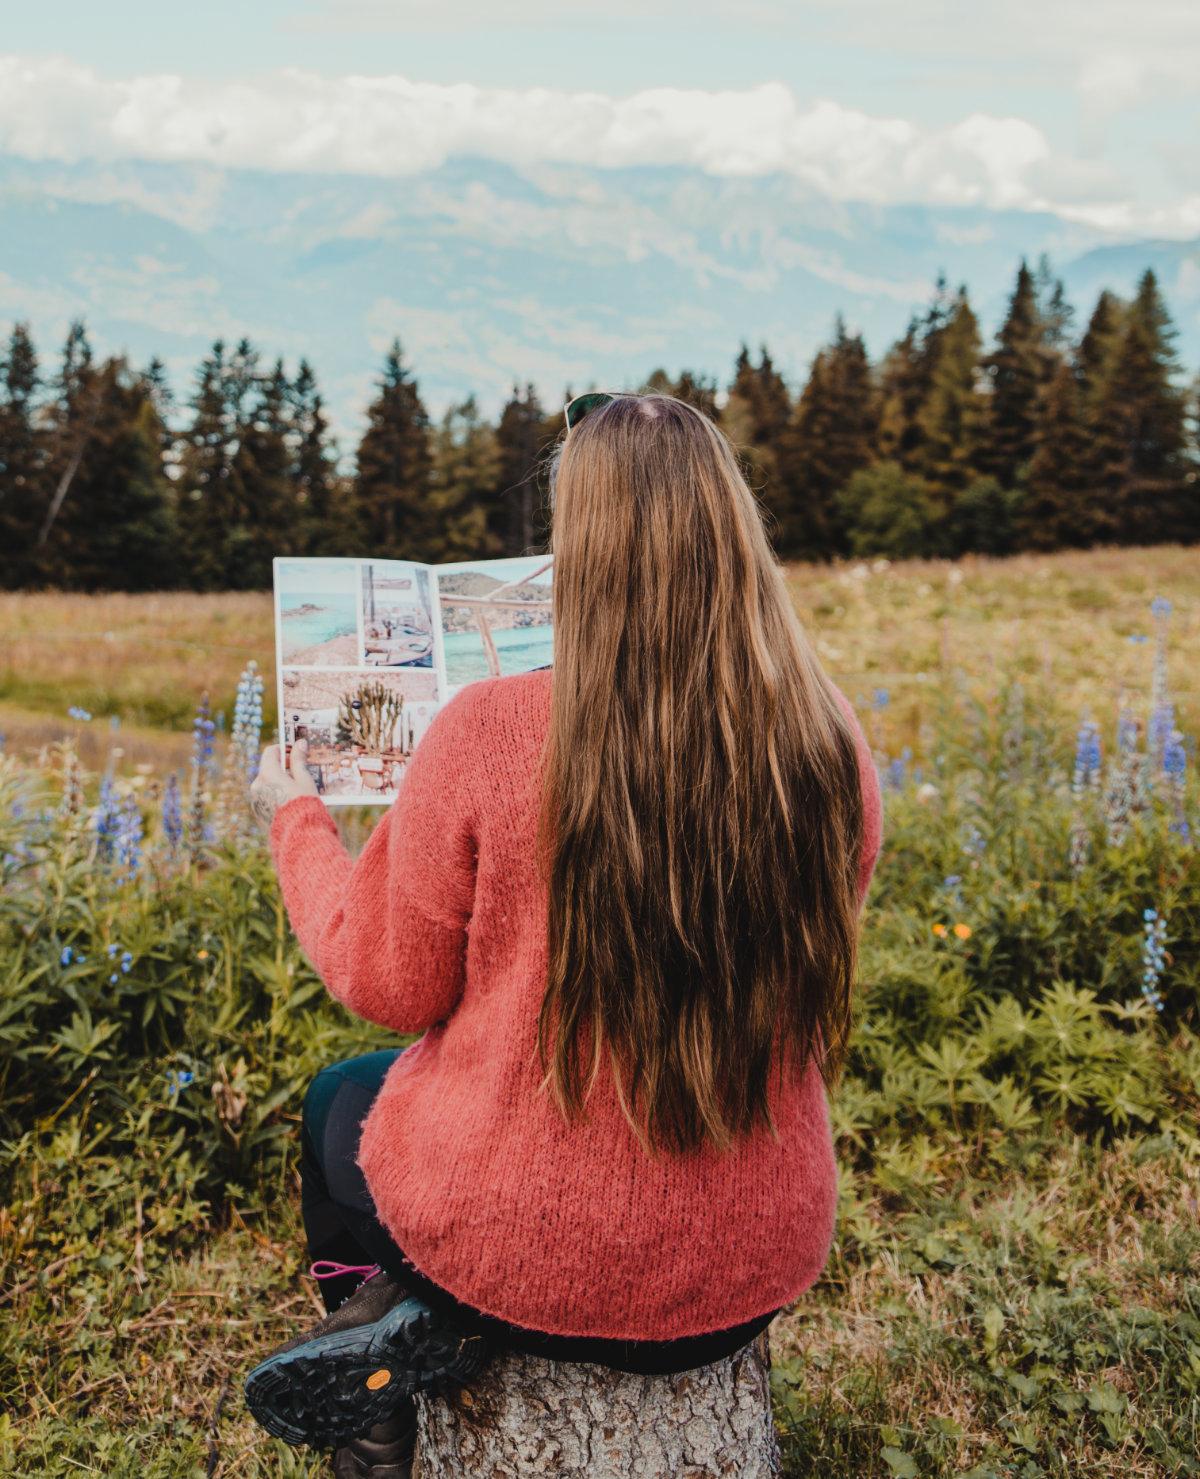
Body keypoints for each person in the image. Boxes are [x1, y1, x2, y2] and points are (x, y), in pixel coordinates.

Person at [246, 392, 883, 1478]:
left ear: (572, 551)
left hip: (520, 1260)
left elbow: (385, 979)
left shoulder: (489, 730)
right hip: (749, 1267)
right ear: (732, 536)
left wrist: (296, 819)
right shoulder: (827, 737)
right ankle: (397, 1327)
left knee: (336, 1100)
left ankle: (376, 1364)